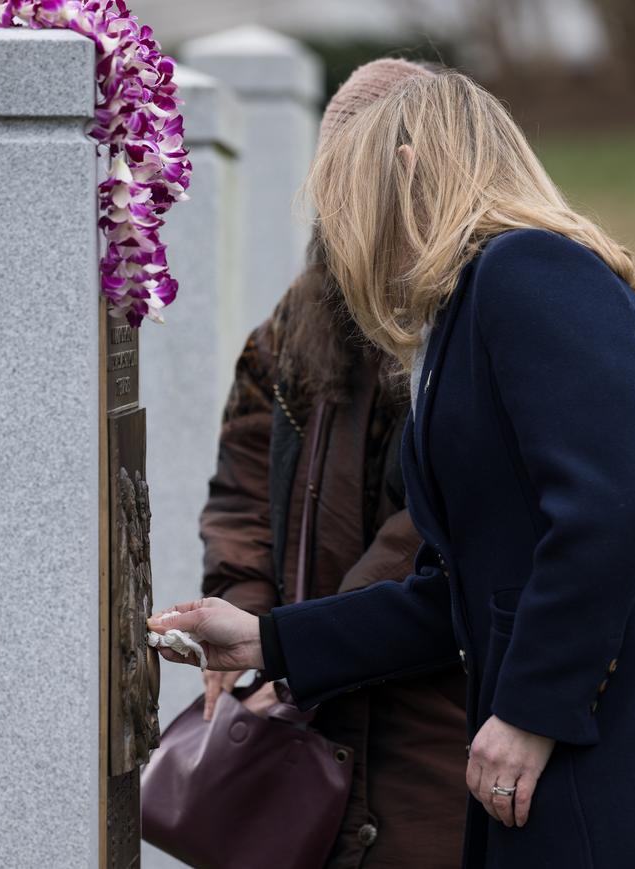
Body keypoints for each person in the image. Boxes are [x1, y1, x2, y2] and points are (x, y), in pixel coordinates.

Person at [152, 71, 635, 868]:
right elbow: (458, 591)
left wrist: (531, 712)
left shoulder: (531, 272)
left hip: (633, 741)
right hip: (586, 741)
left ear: (407, 168)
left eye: (344, 191)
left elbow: (609, 514)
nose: (337, 226)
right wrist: (267, 640)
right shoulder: (465, 310)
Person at [195, 59, 467, 869]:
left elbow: (436, 529)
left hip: (435, 713)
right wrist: (247, 619)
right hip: (303, 703)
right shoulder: (293, 322)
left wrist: (296, 647)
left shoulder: (471, 313)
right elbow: (240, 487)